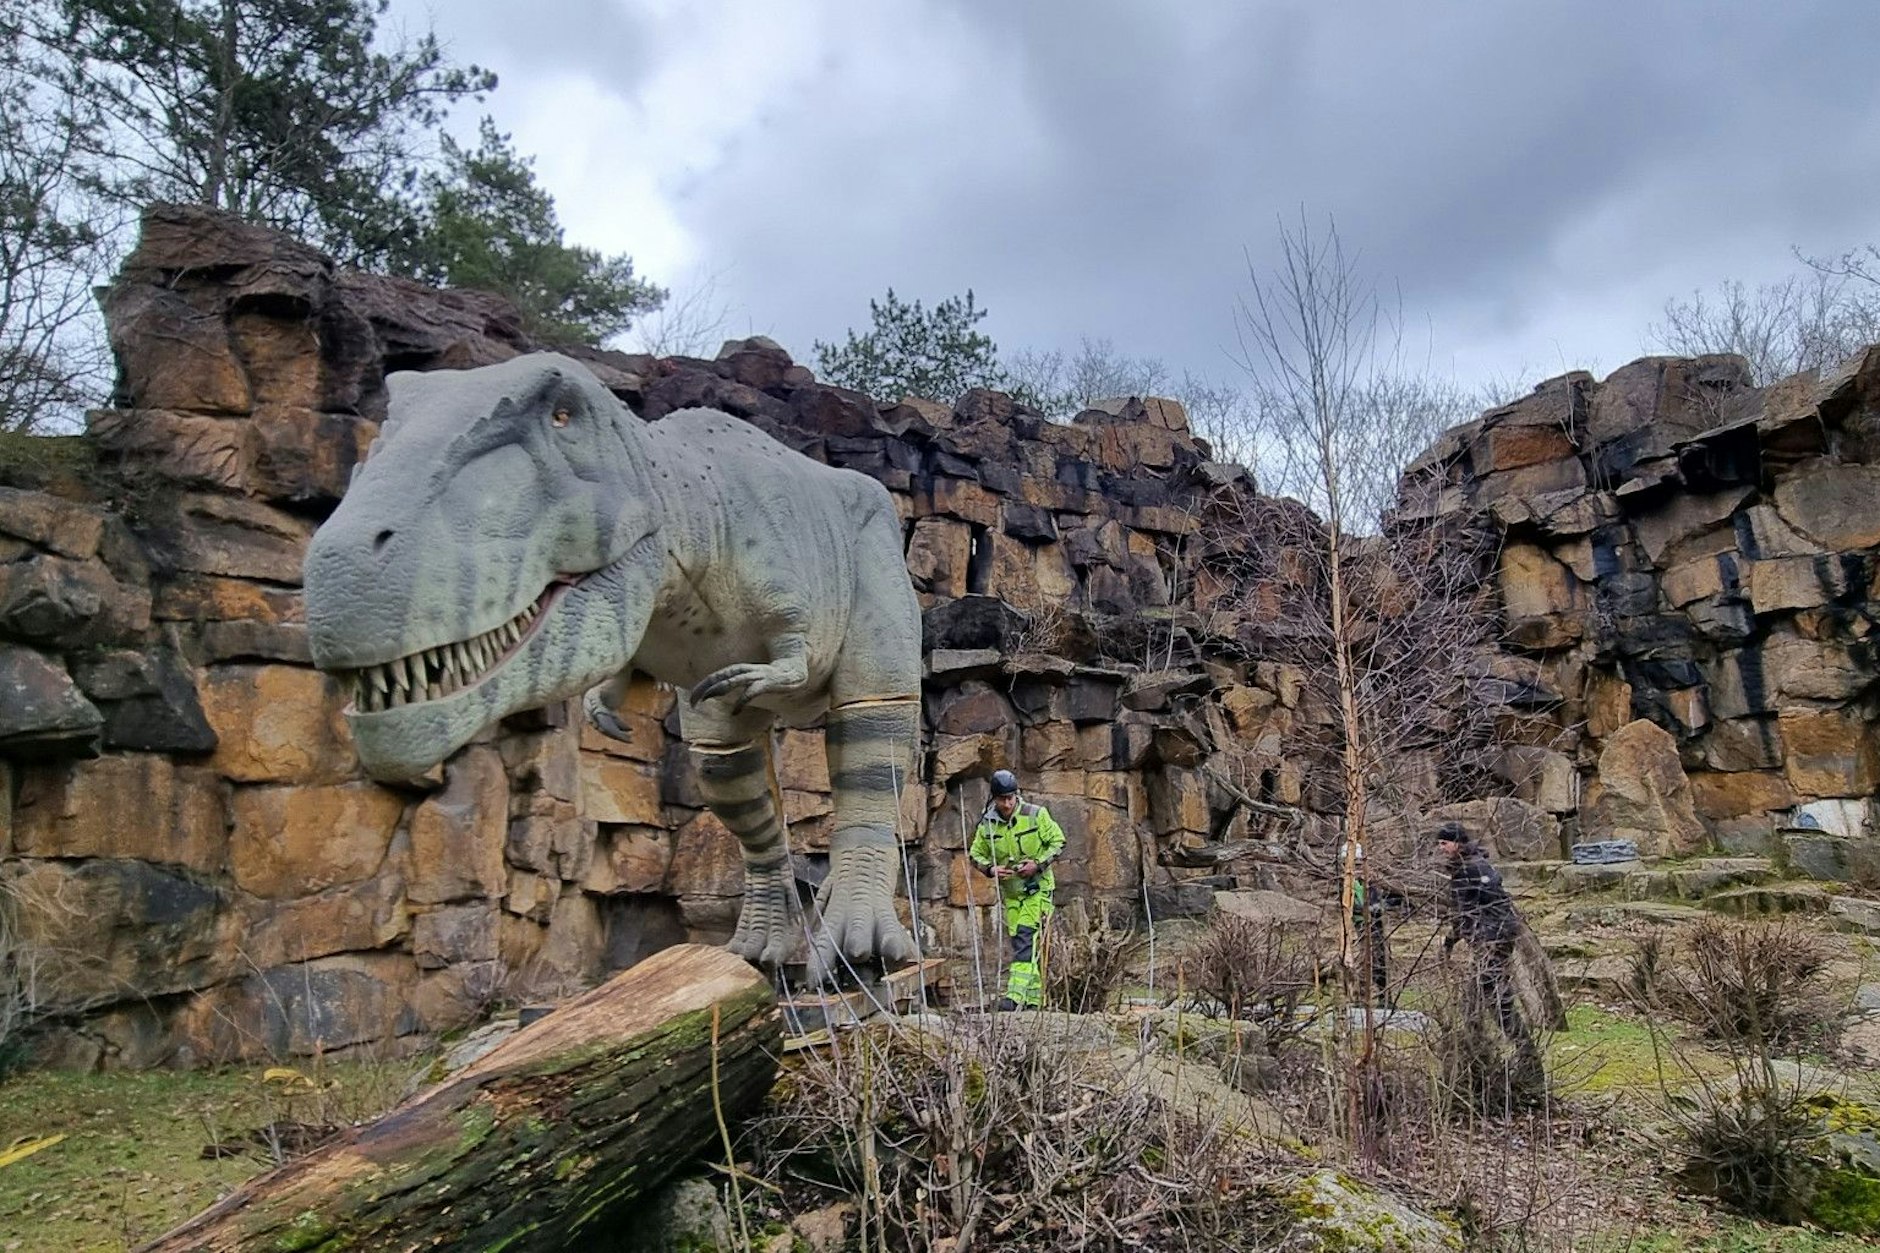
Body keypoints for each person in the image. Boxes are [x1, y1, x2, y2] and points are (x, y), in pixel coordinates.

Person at [1436, 821, 1542, 1076]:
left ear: (1457, 843)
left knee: (1496, 998)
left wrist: (1463, 939)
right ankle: (1476, 1054)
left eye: (1444, 843)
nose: (1441, 848)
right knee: (1475, 998)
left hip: (1491, 939)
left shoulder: (1471, 869)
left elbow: (1480, 909)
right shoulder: (1469, 866)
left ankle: (1526, 1057)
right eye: (1439, 843)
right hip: (1492, 936)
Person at [969, 769, 1065, 1010]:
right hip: (1011, 895)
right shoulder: (987, 825)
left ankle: (1013, 997)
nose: (1007, 803)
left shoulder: (1036, 815)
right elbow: (974, 854)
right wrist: (991, 870)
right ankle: (1034, 1000)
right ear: (994, 798)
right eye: (1002, 798)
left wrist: (1038, 864)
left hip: (1038, 889)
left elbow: (1058, 842)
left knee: (1025, 938)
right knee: (1024, 944)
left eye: (1011, 797)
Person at [1341, 841, 1396, 1008]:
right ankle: (1360, 997)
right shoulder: (1345, 882)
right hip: (1359, 925)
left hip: (1376, 923)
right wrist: (1369, 909)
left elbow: (1386, 898)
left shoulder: (1370, 881)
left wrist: (1381, 906)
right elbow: (1348, 905)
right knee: (1362, 960)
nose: (1357, 868)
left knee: (1381, 959)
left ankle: (1384, 997)